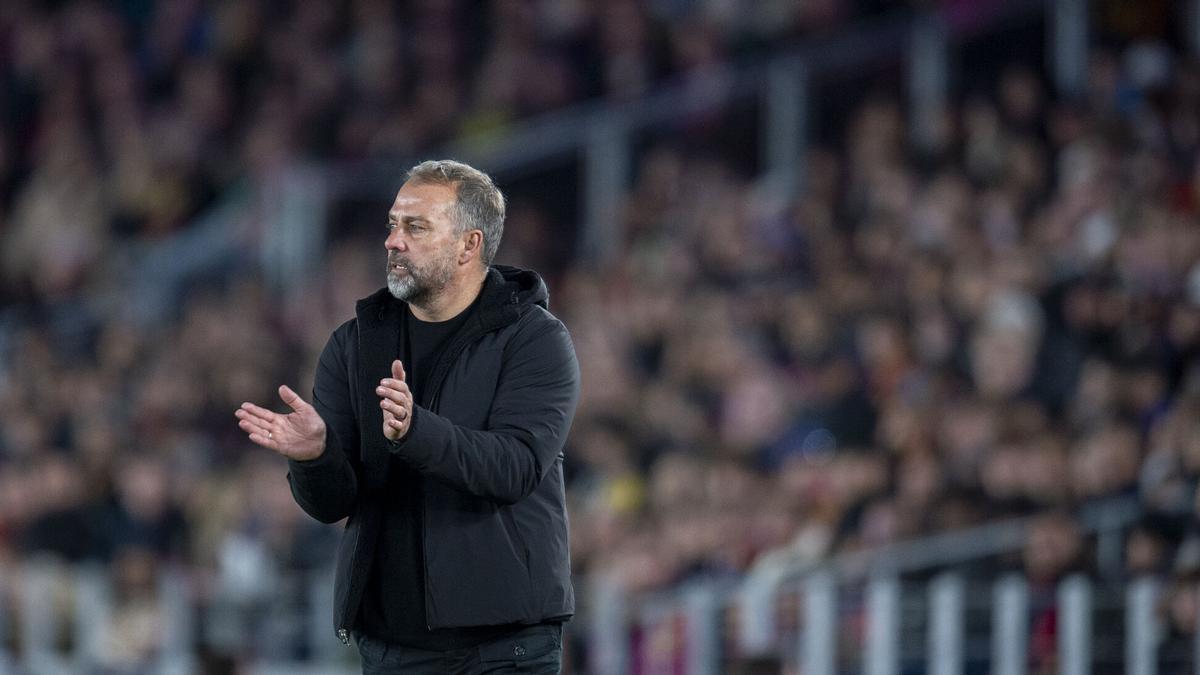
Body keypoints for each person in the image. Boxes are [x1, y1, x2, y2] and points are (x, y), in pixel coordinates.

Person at [234, 160, 580, 674]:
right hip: (393, 649)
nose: (393, 241)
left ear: (469, 245)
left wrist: (418, 432)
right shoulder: (352, 346)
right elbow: (333, 504)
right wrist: (315, 457)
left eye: (416, 227)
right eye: (393, 225)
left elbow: (515, 467)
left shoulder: (534, 340)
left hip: (505, 648)